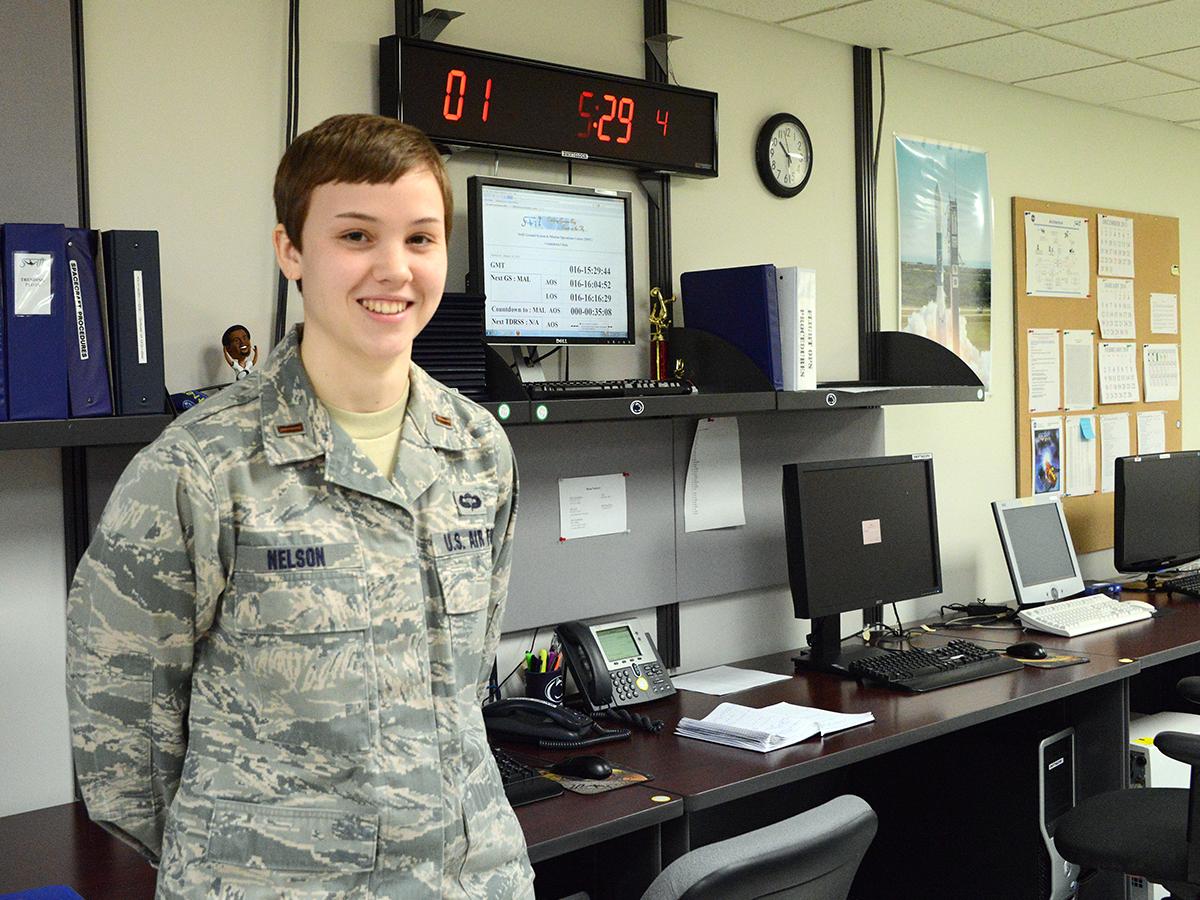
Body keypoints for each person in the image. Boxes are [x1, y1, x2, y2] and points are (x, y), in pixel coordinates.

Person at [66, 113, 534, 898]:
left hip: (470, 877)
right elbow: (124, 756)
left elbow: (464, 685)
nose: (394, 268)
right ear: (290, 250)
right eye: (356, 236)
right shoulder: (200, 469)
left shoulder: (478, 447)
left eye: (421, 239)